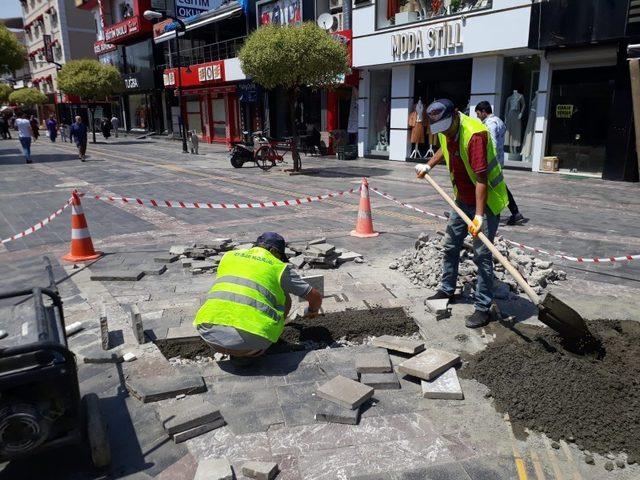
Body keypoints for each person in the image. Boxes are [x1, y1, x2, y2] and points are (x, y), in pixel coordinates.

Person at [415, 99, 509, 329]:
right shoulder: (445, 128)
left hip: (485, 202)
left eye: (447, 125)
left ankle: (482, 307)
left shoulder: (475, 134)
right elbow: (444, 148)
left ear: (456, 114)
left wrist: (478, 216)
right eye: (440, 128)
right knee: (450, 245)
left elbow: (481, 179)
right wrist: (429, 165)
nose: (444, 131)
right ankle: (447, 289)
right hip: (461, 200)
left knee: (482, 256)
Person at [193, 232, 323, 362]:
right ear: (275, 252)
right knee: (284, 297)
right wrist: (312, 311)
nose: (280, 260)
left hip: (208, 334)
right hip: (250, 344)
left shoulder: (229, 256)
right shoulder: (277, 266)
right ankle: (258, 346)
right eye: (281, 257)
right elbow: (315, 297)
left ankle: (236, 348)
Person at [475, 101, 525, 225]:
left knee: (480, 184)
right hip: (498, 160)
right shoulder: (499, 121)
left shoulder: (490, 123)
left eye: (478, 113)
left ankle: (466, 212)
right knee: (499, 185)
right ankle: (515, 212)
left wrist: (485, 160)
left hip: (491, 161)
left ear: (484, 112)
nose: (477, 116)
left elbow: (492, 142)